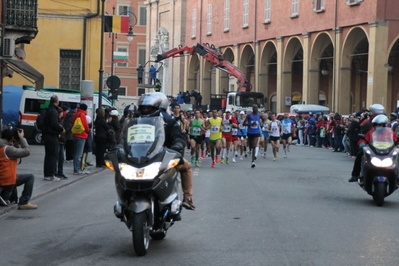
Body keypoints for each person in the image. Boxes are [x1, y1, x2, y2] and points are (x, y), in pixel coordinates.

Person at [133, 93, 195, 210]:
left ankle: (188, 198)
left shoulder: (168, 120)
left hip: (164, 156)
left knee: (186, 166)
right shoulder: (135, 120)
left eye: (149, 107)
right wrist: (120, 147)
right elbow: (124, 135)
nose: (146, 109)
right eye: (144, 107)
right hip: (138, 157)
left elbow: (178, 137)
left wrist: (177, 146)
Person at [348, 104, 388, 182]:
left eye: (382, 124)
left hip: (385, 145)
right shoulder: (370, 123)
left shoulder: (386, 122)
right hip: (372, 144)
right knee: (360, 155)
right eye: (378, 124)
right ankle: (355, 175)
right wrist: (362, 143)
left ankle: (355, 175)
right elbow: (362, 128)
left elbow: (392, 135)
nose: (380, 125)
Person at [0, 128, 37, 210]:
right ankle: (24, 202)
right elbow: (26, 151)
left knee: (14, 175)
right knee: (30, 177)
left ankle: (6, 198)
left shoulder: (2, 146)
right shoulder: (8, 149)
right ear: (12, 138)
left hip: (2, 179)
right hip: (6, 180)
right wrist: (22, 138)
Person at [42, 95, 65, 181]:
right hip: (52, 135)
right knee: (53, 155)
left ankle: (47, 174)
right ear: (56, 101)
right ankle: (51, 174)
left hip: (46, 134)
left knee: (48, 155)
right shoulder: (54, 111)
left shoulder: (48, 110)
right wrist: (61, 129)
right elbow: (54, 123)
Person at [72, 103, 90, 175]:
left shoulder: (76, 114)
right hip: (81, 135)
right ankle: (77, 169)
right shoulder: (82, 114)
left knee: (75, 153)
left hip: (75, 134)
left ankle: (75, 168)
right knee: (79, 154)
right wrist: (88, 130)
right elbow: (85, 125)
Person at [55, 107, 68, 179]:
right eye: (61, 112)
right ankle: (56, 172)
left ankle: (60, 172)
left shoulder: (60, 120)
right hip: (59, 140)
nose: (63, 114)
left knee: (61, 158)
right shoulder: (57, 121)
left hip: (62, 141)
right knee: (57, 157)